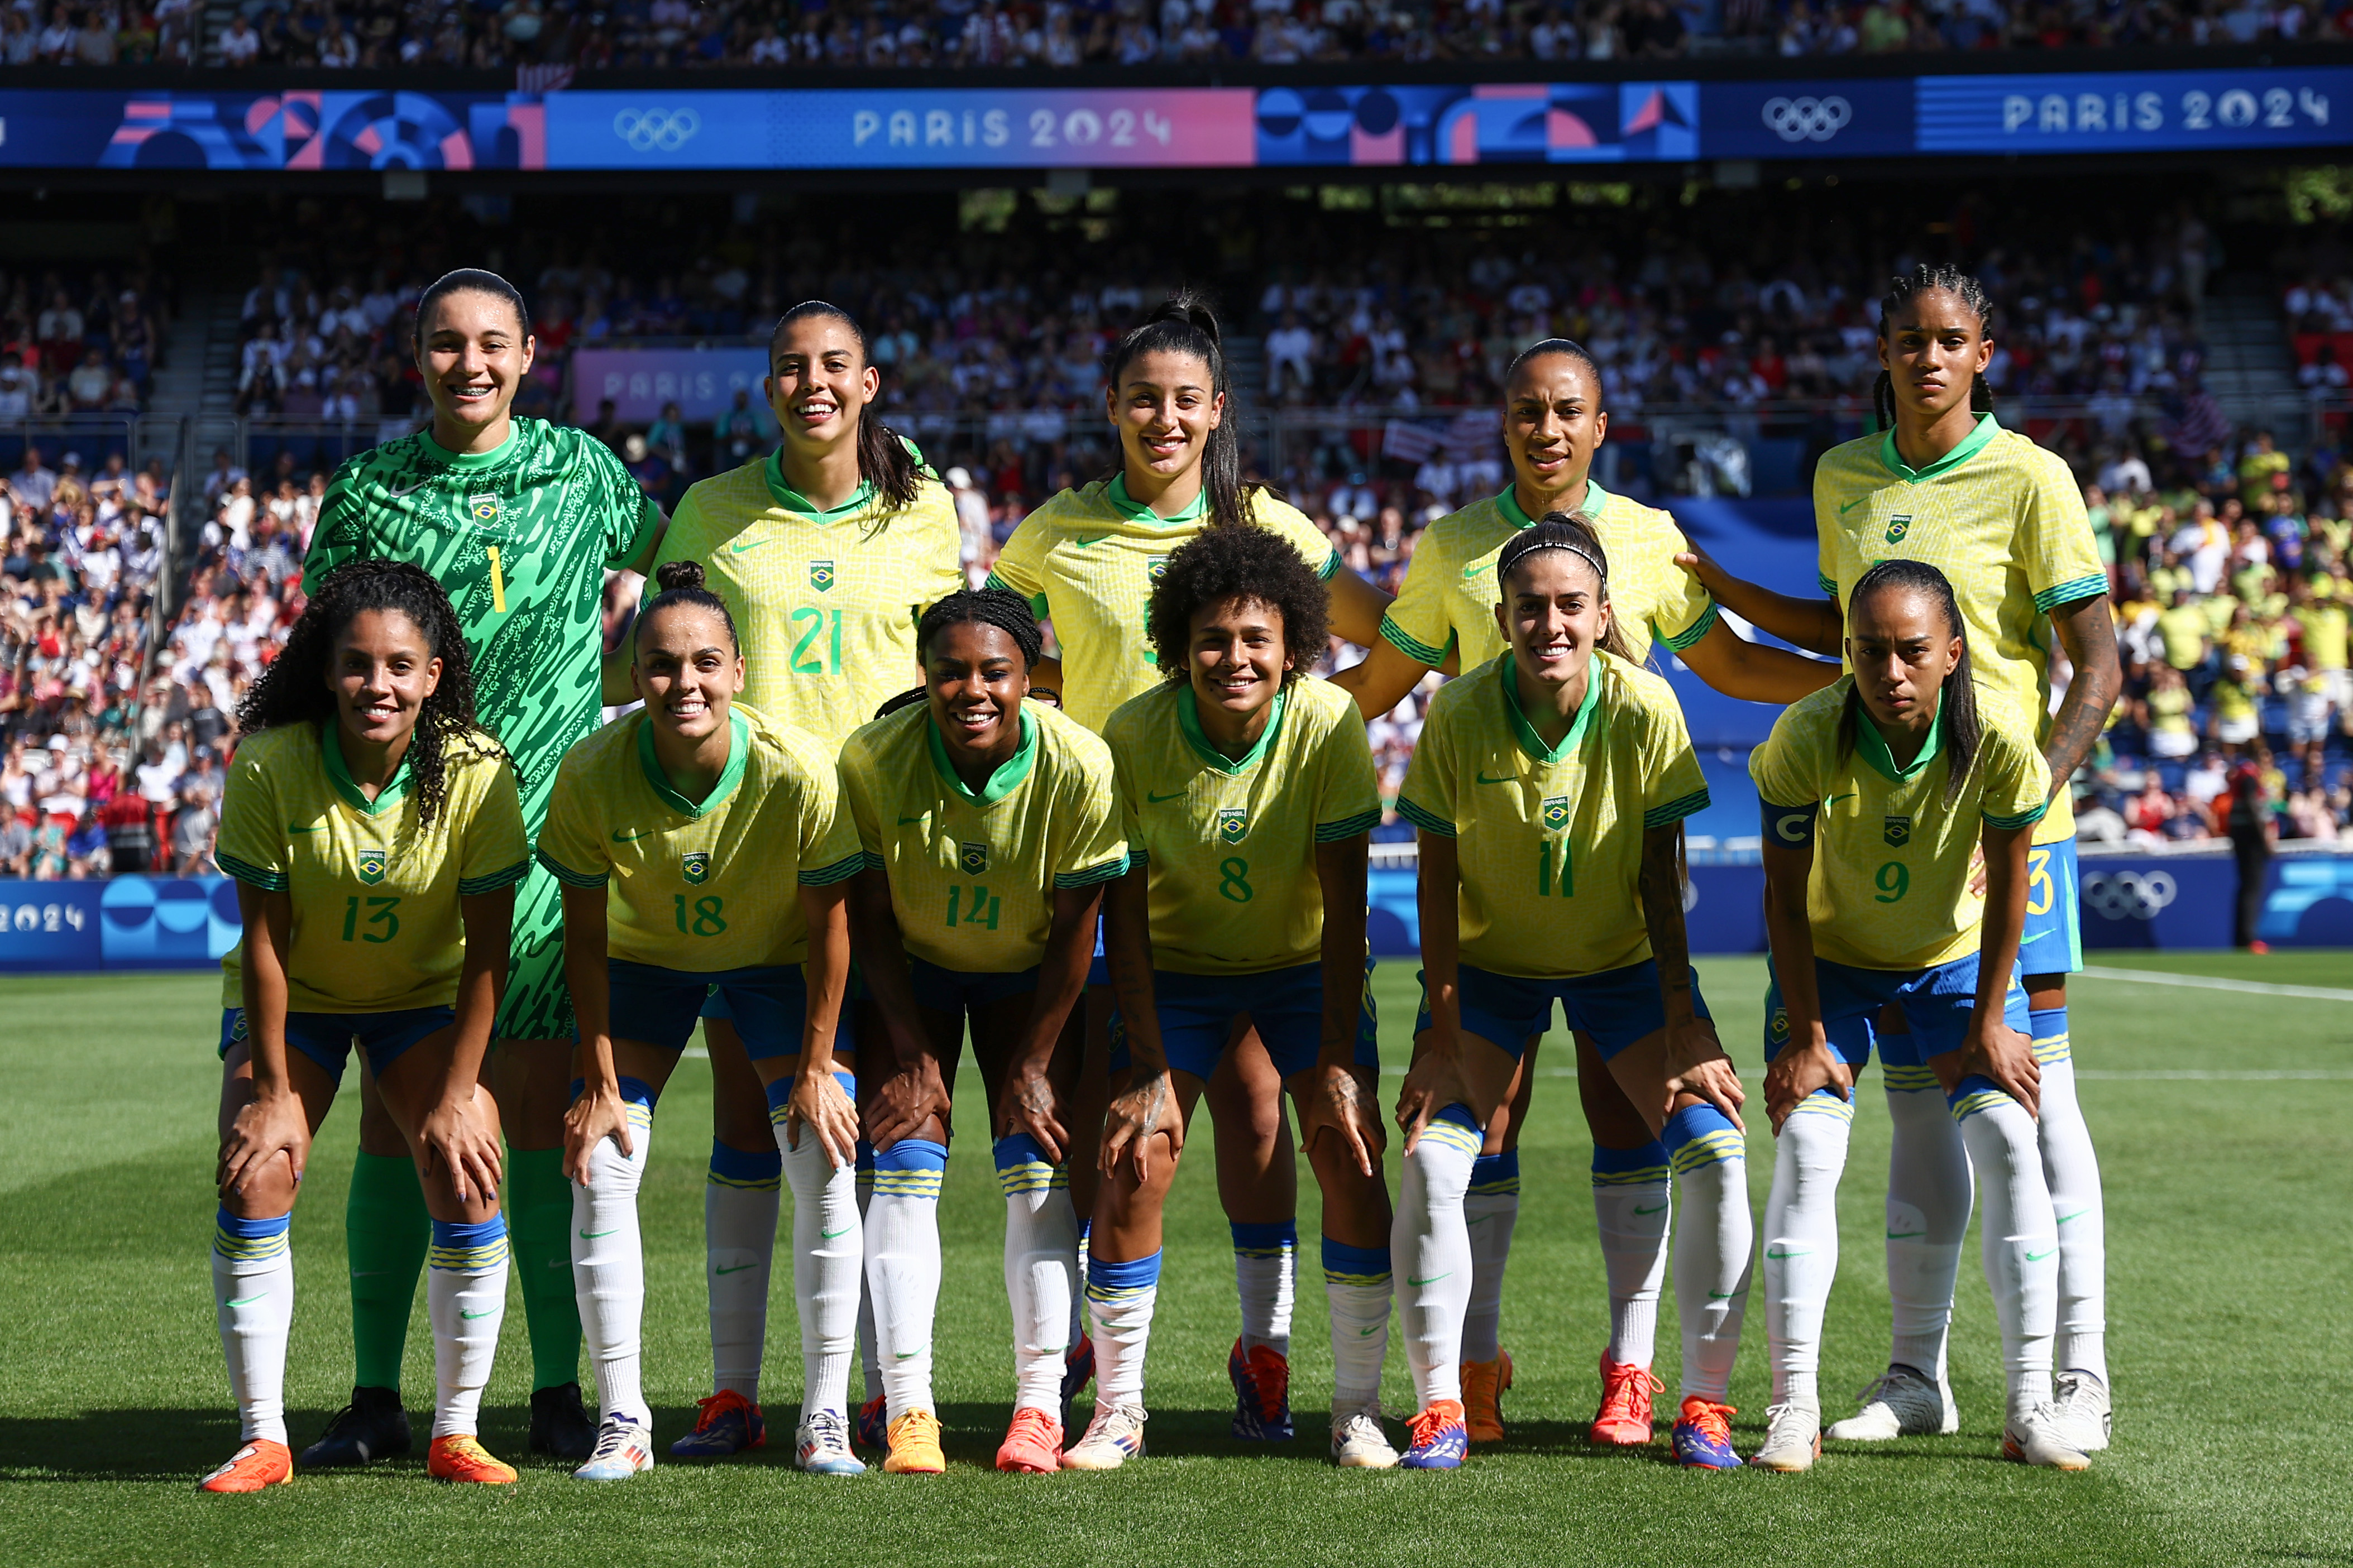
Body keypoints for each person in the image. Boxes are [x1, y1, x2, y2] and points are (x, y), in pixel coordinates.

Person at [1336, 337, 1834, 1448]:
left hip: (1616, 913)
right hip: (1491, 919)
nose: (1547, 428)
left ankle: (1636, 1369)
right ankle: (1475, 1365)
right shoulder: (1454, 550)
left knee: (1635, 1124)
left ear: (1600, 426)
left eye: (1568, 411)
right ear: (1501, 421)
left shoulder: (1651, 544)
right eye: (1527, 410)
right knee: (1482, 1136)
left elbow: (1738, 670)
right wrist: (1255, 737)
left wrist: (1863, 692)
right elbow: (1378, 684)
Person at [1681, 265, 2121, 1454]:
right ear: (1880, 350)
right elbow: (1846, 630)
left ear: (1985, 352)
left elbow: (2099, 660)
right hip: (1887, 821)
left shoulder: (2031, 476)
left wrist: (2025, 804)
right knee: (1925, 1114)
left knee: (2039, 1097)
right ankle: (1916, 1375)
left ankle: (2077, 1375)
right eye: (1908, 339)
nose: (1927, 358)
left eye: (1950, 340)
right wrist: (1719, 589)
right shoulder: (1841, 475)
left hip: (2007, 831)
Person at [987, 293, 1398, 1441]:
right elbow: (996, 659)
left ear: (1216, 411)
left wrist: (1318, 733)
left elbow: (1387, 627)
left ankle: (1261, 1353)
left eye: (1185, 401)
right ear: (1111, 407)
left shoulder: (1275, 525)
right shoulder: (1054, 534)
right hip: (1109, 857)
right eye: (1143, 400)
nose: (1163, 419)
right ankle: (1080, 1352)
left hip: (1255, 854)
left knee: (1269, 1119)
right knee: (1104, 1121)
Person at [298, 267, 667, 1468]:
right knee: (398, 1124)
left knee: (543, 1107)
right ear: (419, 359)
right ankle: (373, 1393)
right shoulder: (366, 492)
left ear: (526, 355)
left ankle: (555, 1390)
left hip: (551, 834)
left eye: (492, 343)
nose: (471, 363)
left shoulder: (588, 474)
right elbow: (327, 662)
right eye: (447, 344)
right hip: (403, 842)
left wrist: (613, 696)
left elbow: (685, 582)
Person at [649, 300, 964, 1460]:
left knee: (878, 1120)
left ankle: (889, 1392)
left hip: (887, 853)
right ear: (767, 384)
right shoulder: (711, 512)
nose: (812, 384)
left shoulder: (924, 508)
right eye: (792, 367)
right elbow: (677, 663)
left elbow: (957, 667)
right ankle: (735, 1392)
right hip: (755, 855)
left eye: (834, 366)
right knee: (749, 1119)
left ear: (870, 383)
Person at [1391, 517, 1748, 1471]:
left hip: (1619, 970)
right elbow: (1434, 879)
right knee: (1431, 1160)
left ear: (1601, 613)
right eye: (1528, 606)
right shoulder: (1459, 710)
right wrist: (1438, 1025)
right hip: (1488, 973)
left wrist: (1685, 1018)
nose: (1548, 621)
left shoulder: (1643, 706)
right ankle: (1451, 1391)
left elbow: (1658, 874)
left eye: (1567, 605)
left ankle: (1679, 1391)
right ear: (1501, 616)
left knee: (1714, 1150)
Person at [1747, 558, 2087, 1472]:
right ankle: (1792, 1405)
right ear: (1847, 654)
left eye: (1908, 652)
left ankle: (2026, 1406)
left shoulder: (1999, 738)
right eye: (1867, 652)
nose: (1888, 672)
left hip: (1951, 966)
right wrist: (1806, 1035)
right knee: (1809, 1148)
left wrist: (1987, 1022)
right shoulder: (1804, 734)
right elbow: (1780, 901)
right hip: (1829, 967)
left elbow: (2012, 887)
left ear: (1950, 653)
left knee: (2013, 1142)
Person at [1068, 525, 1395, 1472]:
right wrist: (1140, 1064)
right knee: (1134, 1155)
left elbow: (1343, 913)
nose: (1233, 656)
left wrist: (1337, 1060)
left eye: (1255, 637)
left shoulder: (1328, 723)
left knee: (1348, 1148)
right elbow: (1120, 916)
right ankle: (1120, 1409)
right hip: (1174, 971)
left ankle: (1355, 1407)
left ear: (1292, 644)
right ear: (1178, 645)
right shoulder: (1131, 732)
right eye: (1212, 637)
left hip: (1298, 969)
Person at [202, 560, 530, 1492]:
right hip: (295, 1001)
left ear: (432, 674)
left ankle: (454, 1430)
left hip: (417, 1000)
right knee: (257, 1167)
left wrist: (462, 1093)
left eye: (398, 665)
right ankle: (263, 1437)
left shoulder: (475, 771)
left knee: (470, 1173)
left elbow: (487, 953)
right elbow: (263, 944)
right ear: (325, 670)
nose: (375, 685)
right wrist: (271, 1095)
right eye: (355, 664)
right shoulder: (270, 762)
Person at [540, 561, 864, 1480]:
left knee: (822, 1145)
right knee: (601, 1157)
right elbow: (586, 937)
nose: (683, 681)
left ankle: (825, 1415)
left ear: (739, 671)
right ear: (633, 672)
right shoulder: (594, 772)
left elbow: (830, 928)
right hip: (646, 968)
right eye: (660, 664)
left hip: (774, 964)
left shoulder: (795, 770)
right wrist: (600, 1084)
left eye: (703, 662)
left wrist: (813, 1068)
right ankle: (623, 1418)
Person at [836, 588, 1127, 1474]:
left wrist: (1035, 1060)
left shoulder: (1078, 761)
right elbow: (870, 918)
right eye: (950, 671)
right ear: (922, 677)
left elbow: (1080, 927)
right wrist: (914, 1053)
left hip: (1030, 979)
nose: (972, 689)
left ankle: (1038, 1406)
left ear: (1028, 677)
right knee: (903, 1152)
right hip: (911, 976)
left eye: (994, 671)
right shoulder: (874, 758)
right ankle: (908, 1406)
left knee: (1034, 1161)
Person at [2223, 752, 2275, 951]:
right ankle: (2248, 938)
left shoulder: (2242, 775)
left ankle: (2242, 938)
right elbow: (2254, 807)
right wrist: (2265, 840)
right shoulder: (2249, 776)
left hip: (2241, 836)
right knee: (2252, 889)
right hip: (2251, 839)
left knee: (2247, 888)